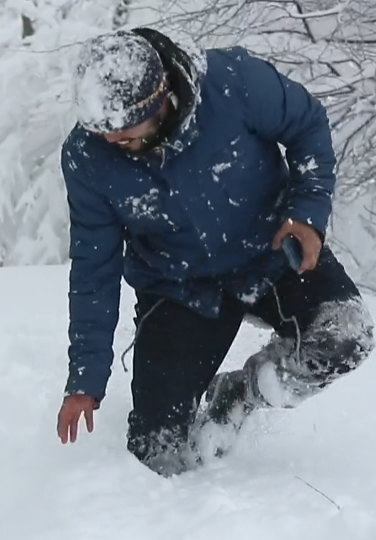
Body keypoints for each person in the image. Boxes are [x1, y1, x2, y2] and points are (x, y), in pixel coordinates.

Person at [56, 27, 375, 476]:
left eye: (124, 134)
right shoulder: (87, 157)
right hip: (179, 288)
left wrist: (307, 213)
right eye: (100, 130)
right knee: (156, 457)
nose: (110, 142)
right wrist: (86, 378)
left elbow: (307, 125)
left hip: (272, 252)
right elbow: (94, 269)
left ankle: (243, 393)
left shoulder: (232, 82)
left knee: (348, 337)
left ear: (160, 100)